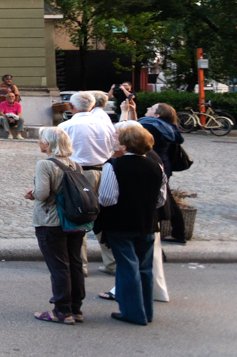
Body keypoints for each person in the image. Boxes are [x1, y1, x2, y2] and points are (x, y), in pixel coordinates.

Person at [95, 122, 167, 326]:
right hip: (147, 222)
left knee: (127, 267)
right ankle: (146, 311)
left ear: (125, 146)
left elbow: (108, 198)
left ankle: (133, 312)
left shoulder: (114, 165)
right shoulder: (156, 166)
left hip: (121, 222)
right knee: (144, 268)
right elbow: (161, 200)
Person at [25, 126, 98, 324]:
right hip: (74, 221)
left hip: (51, 221)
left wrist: (31, 192)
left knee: (59, 266)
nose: (39, 142)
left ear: (48, 143)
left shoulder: (45, 164)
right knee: (74, 264)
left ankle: (61, 311)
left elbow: (42, 194)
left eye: (40, 139)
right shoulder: (76, 165)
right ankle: (76, 309)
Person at [59, 91, 119, 274]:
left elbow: (59, 154)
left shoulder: (65, 126)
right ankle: (112, 263)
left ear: (71, 107)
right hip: (105, 171)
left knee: (77, 217)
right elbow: (116, 150)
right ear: (93, 107)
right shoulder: (107, 126)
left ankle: (80, 265)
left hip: (78, 175)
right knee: (106, 217)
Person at [140, 103, 187, 245]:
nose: (147, 108)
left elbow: (132, 132)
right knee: (167, 198)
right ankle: (179, 233)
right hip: (163, 166)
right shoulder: (167, 127)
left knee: (163, 200)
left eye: (151, 108)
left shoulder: (150, 126)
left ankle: (175, 233)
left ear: (157, 115)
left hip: (152, 167)